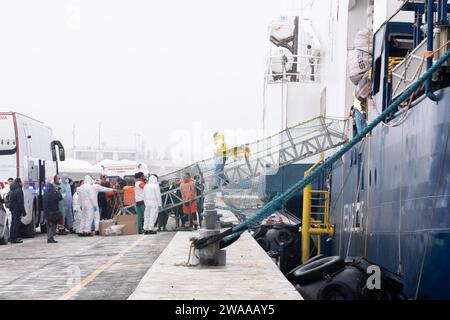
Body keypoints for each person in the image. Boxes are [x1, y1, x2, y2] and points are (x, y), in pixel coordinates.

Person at [8, 178, 25, 244]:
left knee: (13, 224)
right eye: (21, 182)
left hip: (13, 209)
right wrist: (23, 211)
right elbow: (20, 202)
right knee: (16, 224)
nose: (22, 183)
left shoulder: (12, 189)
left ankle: (12, 237)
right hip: (17, 209)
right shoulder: (19, 190)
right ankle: (14, 239)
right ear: (19, 182)